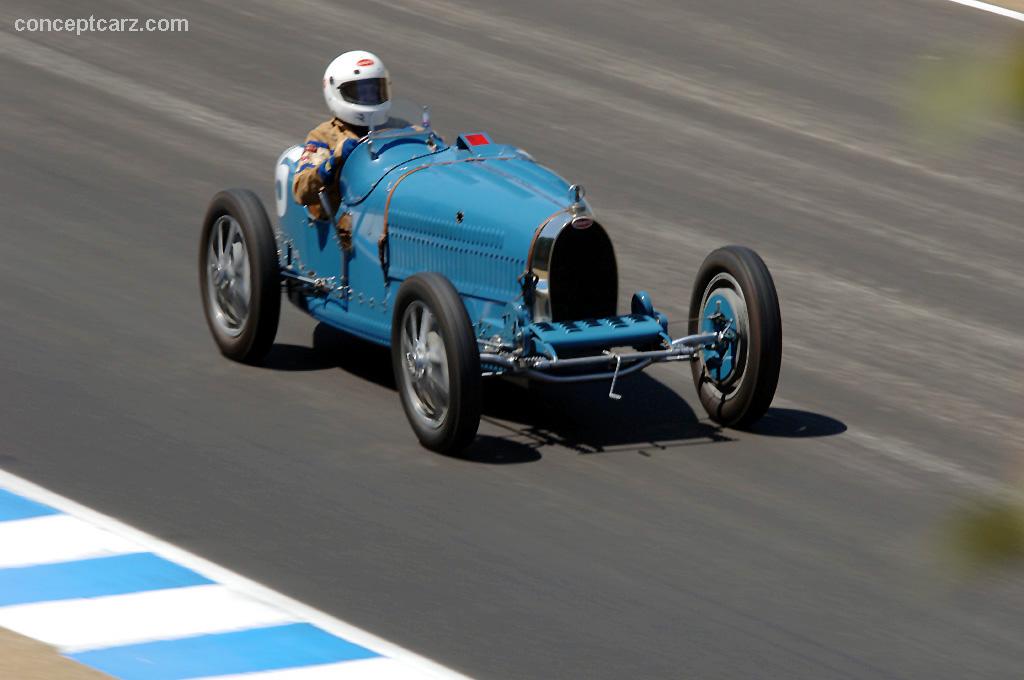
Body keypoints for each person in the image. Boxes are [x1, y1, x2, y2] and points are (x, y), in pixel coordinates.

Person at [293, 50, 391, 249]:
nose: (369, 97)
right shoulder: (323, 136)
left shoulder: (398, 127)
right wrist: (332, 160)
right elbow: (300, 189)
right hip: (348, 221)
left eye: (373, 90)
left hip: (388, 204)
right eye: (360, 92)